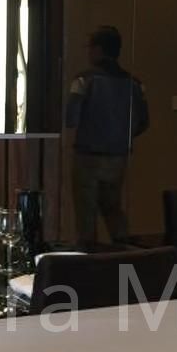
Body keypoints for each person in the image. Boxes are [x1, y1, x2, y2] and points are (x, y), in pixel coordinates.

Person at [66, 25, 149, 246]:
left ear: (98, 49)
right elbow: (143, 122)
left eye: (90, 47)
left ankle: (89, 259)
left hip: (87, 157)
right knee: (113, 209)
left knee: (86, 213)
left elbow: (71, 118)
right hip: (118, 157)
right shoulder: (134, 83)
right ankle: (125, 256)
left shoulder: (84, 79)